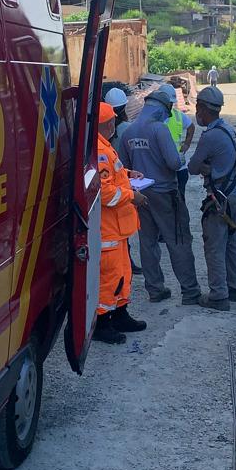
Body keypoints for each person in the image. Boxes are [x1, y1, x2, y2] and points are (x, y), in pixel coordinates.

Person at [119, 87, 202, 305]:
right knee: (179, 240)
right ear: (161, 110)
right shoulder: (159, 130)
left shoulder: (129, 132)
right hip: (165, 193)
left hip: (141, 195)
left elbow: (124, 167)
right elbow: (174, 163)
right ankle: (190, 291)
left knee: (147, 242)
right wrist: (183, 157)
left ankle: (155, 289)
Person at [188, 84, 236, 312]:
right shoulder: (228, 130)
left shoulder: (210, 136)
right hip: (233, 197)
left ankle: (219, 296)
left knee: (214, 247)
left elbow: (193, 167)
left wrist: (206, 169)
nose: (197, 113)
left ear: (203, 108)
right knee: (230, 244)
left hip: (219, 199)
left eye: (198, 108)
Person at [94, 103, 148, 344]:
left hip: (118, 229)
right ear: (107, 123)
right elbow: (103, 192)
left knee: (123, 274)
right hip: (108, 230)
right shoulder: (99, 149)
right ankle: (101, 324)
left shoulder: (104, 147)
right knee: (109, 278)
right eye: (112, 122)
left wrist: (128, 174)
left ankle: (120, 314)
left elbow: (111, 175)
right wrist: (132, 195)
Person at [162, 81, 195, 198]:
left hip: (179, 168)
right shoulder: (156, 118)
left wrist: (186, 145)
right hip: (165, 169)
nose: (170, 105)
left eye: (171, 103)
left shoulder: (177, 115)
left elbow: (191, 127)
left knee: (179, 202)